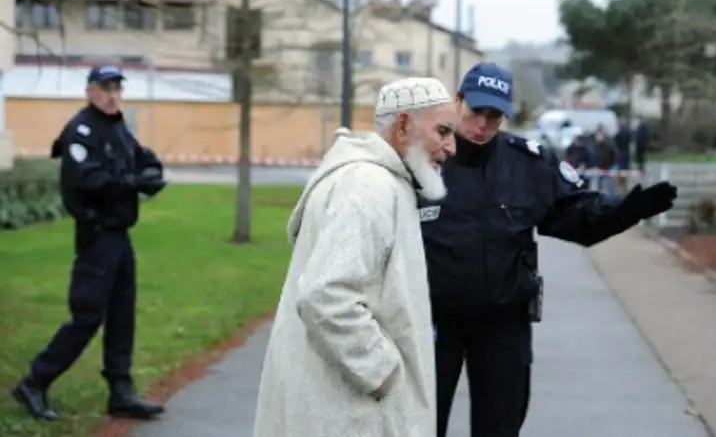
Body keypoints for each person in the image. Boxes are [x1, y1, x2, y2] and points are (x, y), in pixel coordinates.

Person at [419, 62, 678, 437]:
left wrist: (625, 211)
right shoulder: (424, 159)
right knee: (419, 426)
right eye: (477, 112)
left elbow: (575, 214)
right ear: (458, 101)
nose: (483, 124)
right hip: (432, 323)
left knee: (500, 427)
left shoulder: (527, 163)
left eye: (495, 116)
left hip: (502, 323)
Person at [253, 77, 458, 437]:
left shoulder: (380, 181)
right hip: (348, 411)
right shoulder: (368, 186)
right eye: (442, 131)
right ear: (404, 124)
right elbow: (327, 295)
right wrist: (383, 371)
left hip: (345, 404)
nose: (451, 147)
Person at [11, 64, 167, 421]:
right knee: (87, 315)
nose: (113, 95)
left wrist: (151, 173)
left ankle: (120, 392)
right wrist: (132, 181)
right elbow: (89, 180)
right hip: (97, 236)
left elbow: (143, 159)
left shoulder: (117, 127)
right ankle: (35, 381)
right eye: (105, 88)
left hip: (119, 236)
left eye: (117, 88)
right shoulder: (81, 131)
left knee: (122, 314)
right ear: (90, 92)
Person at [594, 126, 619, 193]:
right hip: (600, 168)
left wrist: (611, 165)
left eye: (598, 135)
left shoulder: (608, 145)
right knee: (600, 187)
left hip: (608, 168)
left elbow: (614, 154)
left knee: (610, 187)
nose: (597, 137)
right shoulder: (597, 145)